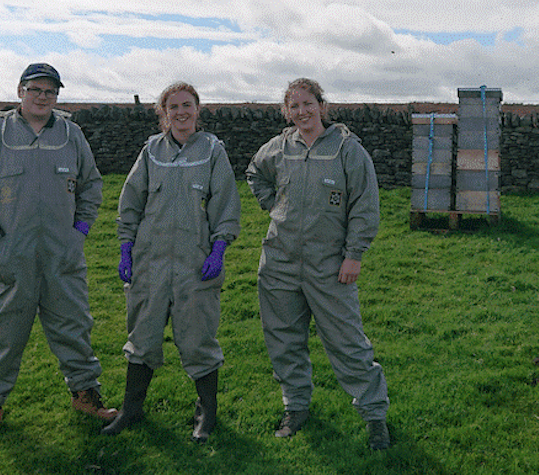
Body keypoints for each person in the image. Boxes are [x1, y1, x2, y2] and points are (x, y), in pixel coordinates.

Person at [0, 63, 117, 442]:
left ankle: (85, 394)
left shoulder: (71, 135)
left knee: (74, 327)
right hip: (12, 260)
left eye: (50, 91)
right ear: (20, 92)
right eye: (36, 90)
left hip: (63, 257)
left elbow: (91, 186)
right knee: (4, 336)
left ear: (57, 96)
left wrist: (79, 232)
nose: (42, 97)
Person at [245, 78, 390, 450]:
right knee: (283, 339)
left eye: (308, 104)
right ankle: (296, 406)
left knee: (347, 343)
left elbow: (365, 205)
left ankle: (375, 416)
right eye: (293, 106)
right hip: (279, 261)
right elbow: (253, 173)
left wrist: (354, 254)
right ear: (286, 111)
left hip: (330, 265)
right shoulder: (278, 148)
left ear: (322, 106)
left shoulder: (347, 149)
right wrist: (273, 204)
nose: (301, 112)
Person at [102, 81, 241, 443]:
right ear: (163, 113)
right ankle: (131, 410)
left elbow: (226, 205)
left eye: (187, 105)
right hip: (150, 263)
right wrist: (126, 249)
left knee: (197, 340)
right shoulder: (151, 151)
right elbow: (130, 203)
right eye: (173, 106)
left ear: (198, 109)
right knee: (142, 337)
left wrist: (218, 249)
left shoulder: (212, 151)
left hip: (195, 265)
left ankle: (206, 413)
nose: (181, 112)